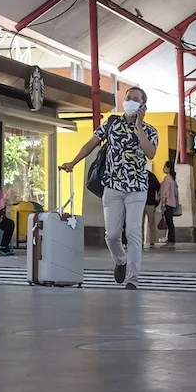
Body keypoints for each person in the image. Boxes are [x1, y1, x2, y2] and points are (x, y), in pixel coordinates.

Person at [60, 87, 158, 289]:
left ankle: (132, 278)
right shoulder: (112, 123)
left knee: (133, 232)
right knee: (112, 235)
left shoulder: (150, 130)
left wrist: (139, 126)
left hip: (137, 188)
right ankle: (120, 261)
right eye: (128, 98)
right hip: (112, 187)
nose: (130, 101)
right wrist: (73, 162)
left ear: (143, 105)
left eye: (135, 99)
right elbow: (91, 143)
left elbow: (150, 153)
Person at [158, 162, 179, 248]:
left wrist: (162, 203)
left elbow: (165, 193)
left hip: (167, 203)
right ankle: (171, 239)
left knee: (169, 222)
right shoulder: (173, 180)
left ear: (168, 169)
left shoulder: (167, 179)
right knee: (170, 222)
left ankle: (170, 240)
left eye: (165, 167)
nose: (163, 169)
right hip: (172, 203)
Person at [143, 166, 161, 248]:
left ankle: (141, 241)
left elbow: (158, 187)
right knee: (151, 224)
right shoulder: (151, 176)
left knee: (140, 224)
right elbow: (158, 187)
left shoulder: (139, 176)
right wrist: (157, 201)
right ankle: (152, 242)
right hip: (149, 204)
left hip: (142, 204)